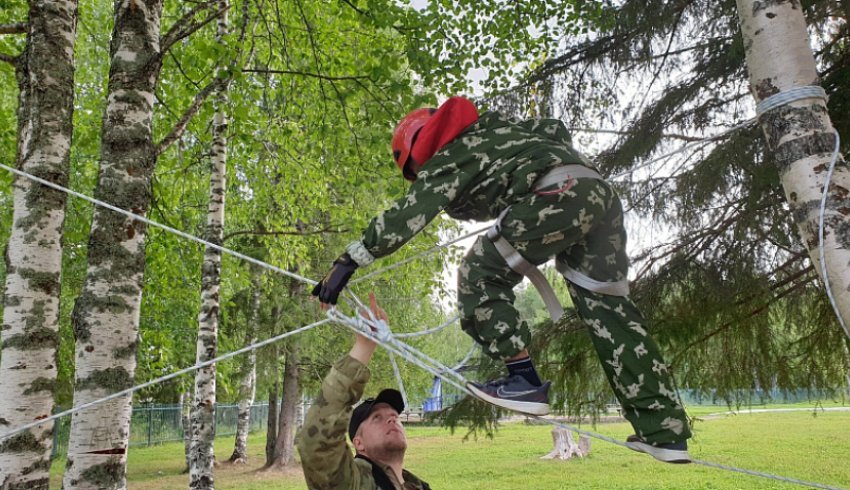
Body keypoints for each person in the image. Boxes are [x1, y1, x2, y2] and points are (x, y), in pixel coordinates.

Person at [311, 96, 692, 463]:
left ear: (418, 149)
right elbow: (554, 129)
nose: (420, 178)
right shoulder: (504, 133)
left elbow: (411, 212)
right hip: (597, 194)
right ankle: (664, 431)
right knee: (609, 313)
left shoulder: (449, 152)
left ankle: (523, 379)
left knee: (478, 274)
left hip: (555, 195)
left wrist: (348, 261)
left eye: (415, 172)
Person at [298, 293, 432, 489]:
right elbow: (316, 444)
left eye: (394, 415)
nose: (392, 419)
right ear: (359, 444)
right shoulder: (355, 483)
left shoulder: (419, 486)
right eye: (377, 417)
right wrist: (363, 348)